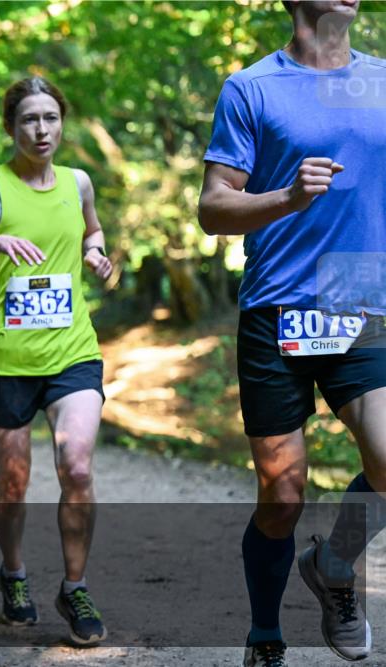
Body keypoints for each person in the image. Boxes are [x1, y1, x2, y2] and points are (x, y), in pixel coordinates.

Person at [197, 1, 386, 664]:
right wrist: (288, 198)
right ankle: (264, 633)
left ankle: (335, 565)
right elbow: (213, 208)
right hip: (277, 309)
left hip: (362, 303)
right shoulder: (251, 87)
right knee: (281, 492)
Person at [0, 76, 114, 644]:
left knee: (79, 467)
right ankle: (14, 573)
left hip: (72, 352)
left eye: (50, 118)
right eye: (28, 120)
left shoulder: (78, 182)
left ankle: (75, 586)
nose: (41, 130)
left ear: (61, 122)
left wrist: (97, 255)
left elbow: (93, 233)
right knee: (13, 484)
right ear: (10, 128)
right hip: (7, 361)